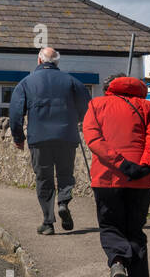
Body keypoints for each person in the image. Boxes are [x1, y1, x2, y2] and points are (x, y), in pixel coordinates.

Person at [82, 74, 150, 277]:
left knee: (110, 226)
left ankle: (117, 263)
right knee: (135, 231)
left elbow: (93, 139)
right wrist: (144, 166)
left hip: (107, 178)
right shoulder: (149, 108)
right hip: (141, 179)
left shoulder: (96, 105)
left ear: (109, 88)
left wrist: (119, 163)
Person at [8, 47, 90, 235]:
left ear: (39, 61)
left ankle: (48, 222)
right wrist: (75, 118)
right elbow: (87, 106)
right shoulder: (72, 81)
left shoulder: (26, 83)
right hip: (66, 137)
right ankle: (63, 202)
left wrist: (18, 138)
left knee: (43, 178)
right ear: (57, 62)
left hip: (39, 138)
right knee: (65, 174)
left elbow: (15, 113)